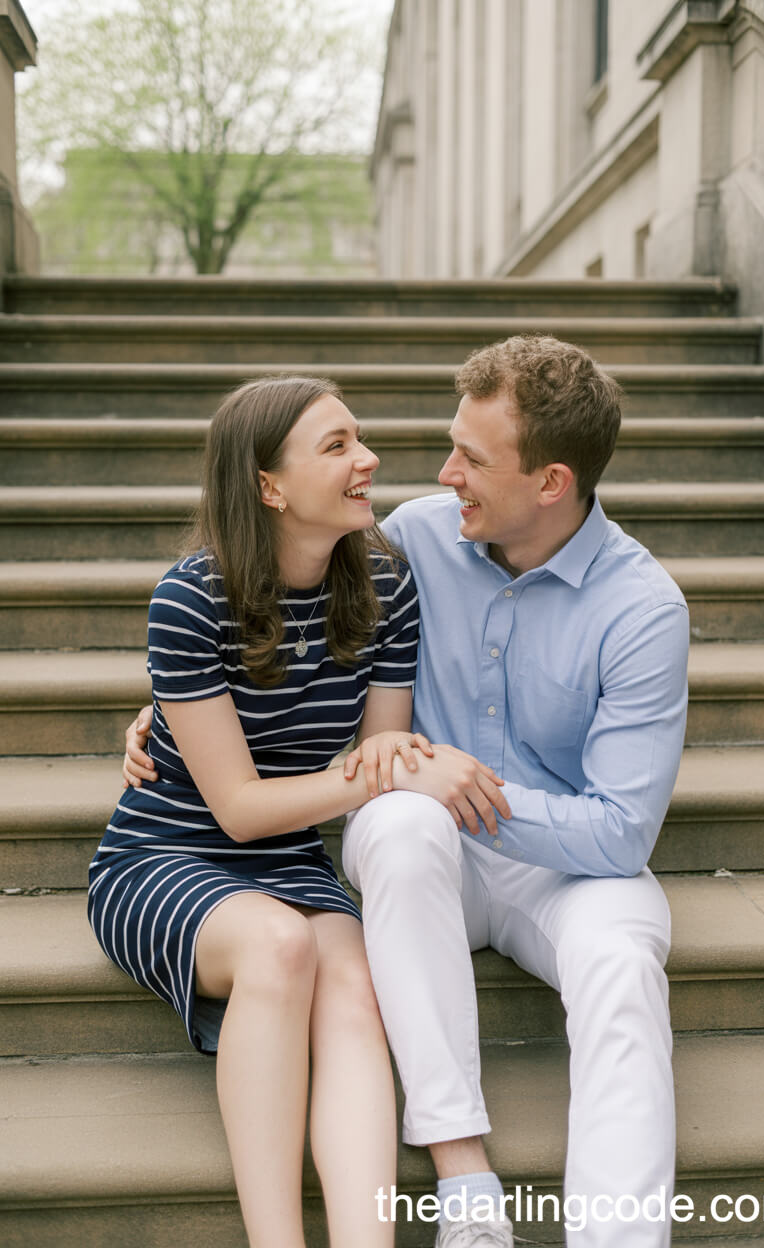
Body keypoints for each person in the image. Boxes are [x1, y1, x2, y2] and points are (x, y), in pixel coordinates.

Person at [125, 337, 690, 1248]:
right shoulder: (416, 538)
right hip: (426, 852)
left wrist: (470, 788)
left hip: (572, 866)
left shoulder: (643, 609)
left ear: (550, 482)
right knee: (394, 822)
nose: (442, 472)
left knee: (625, 970)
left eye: (471, 458)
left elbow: (621, 834)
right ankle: (466, 1189)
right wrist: (163, 707)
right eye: (450, 446)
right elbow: (247, 606)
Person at [92, 374, 508, 1248]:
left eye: (359, 438)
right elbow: (241, 808)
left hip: (289, 861)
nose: (369, 460)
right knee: (280, 949)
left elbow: (377, 757)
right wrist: (394, 777)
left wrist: (392, 773)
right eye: (337, 446)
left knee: (357, 984)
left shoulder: (387, 582)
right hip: (164, 851)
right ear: (268, 486)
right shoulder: (190, 598)